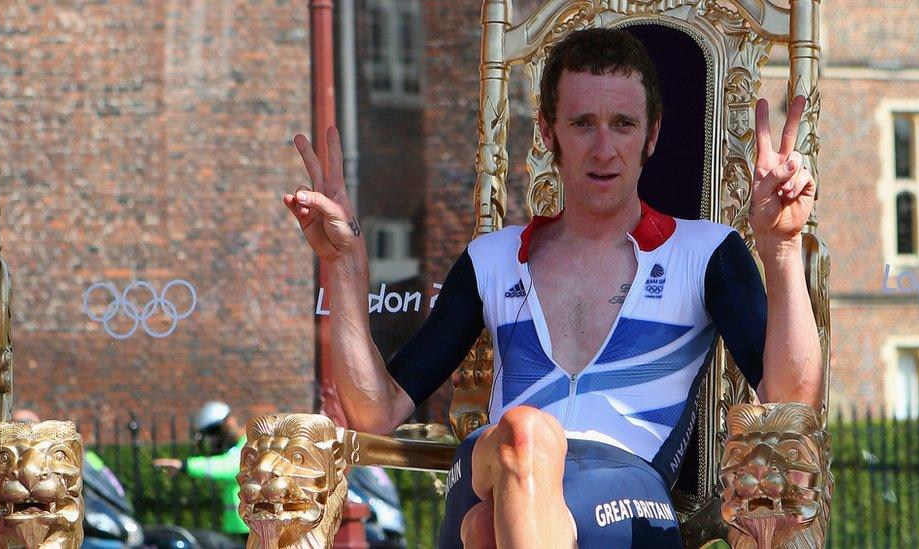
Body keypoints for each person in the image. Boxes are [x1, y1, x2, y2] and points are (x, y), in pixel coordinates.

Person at [284, 28, 821, 548]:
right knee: (524, 436)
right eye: (583, 123)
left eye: (623, 124)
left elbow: (793, 401)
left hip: (625, 487)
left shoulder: (705, 253)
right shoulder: (491, 259)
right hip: (492, 463)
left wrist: (782, 248)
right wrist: (344, 265)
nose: (604, 149)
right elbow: (376, 414)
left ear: (652, 135)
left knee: (485, 530)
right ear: (547, 132)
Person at [153, 401, 249, 539]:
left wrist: (185, 465)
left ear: (229, 422)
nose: (214, 439)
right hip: (241, 526)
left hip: (256, 525)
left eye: (215, 431)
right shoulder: (235, 449)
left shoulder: (251, 444)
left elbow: (231, 467)